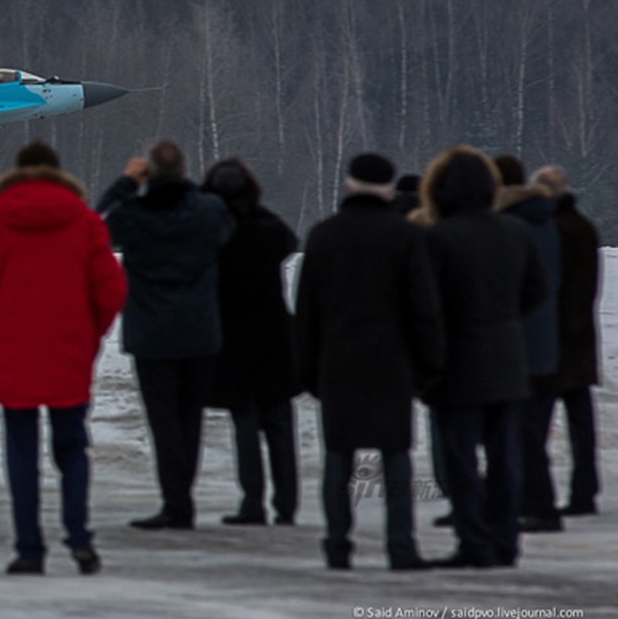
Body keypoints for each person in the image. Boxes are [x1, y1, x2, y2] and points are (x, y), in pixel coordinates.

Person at [0, 140, 126, 575]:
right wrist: (91, 335)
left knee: (21, 452)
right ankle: (79, 536)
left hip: (12, 352)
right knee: (72, 448)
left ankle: (29, 548)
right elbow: (111, 290)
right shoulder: (86, 224)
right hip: (69, 349)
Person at [295, 153, 444, 570]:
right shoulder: (405, 237)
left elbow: (306, 311)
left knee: (338, 458)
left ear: (348, 184)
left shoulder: (324, 236)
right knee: (396, 455)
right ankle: (401, 546)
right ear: (388, 188)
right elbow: (423, 309)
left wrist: (306, 369)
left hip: (338, 362)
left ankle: (337, 545)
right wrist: (430, 364)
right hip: (392, 363)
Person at [420, 146, 548, 568]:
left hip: (458, 362)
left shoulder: (438, 238)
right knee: (505, 458)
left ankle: (473, 540)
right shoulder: (515, 232)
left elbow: (427, 305)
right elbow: (536, 291)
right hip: (509, 359)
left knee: (460, 459)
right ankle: (505, 539)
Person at [97, 140, 235, 530]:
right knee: (190, 418)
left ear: (149, 173)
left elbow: (96, 227)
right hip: (199, 330)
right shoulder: (208, 210)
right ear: (185, 170)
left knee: (164, 422)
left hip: (151, 333)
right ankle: (180, 500)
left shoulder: (132, 214)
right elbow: (225, 230)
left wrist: (124, 185)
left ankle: (176, 503)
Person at [201, 158, 300, 526]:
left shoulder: (214, 233)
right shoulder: (267, 225)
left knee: (245, 426)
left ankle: (252, 501)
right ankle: (287, 503)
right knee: (279, 425)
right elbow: (290, 241)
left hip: (232, 339)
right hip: (273, 336)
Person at [493, 154, 563, 533]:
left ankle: (539, 505)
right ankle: (529, 502)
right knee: (528, 429)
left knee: (523, 432)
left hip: (517, 343)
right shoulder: (545, 223)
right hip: (543, 341)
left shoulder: (512, 227)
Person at [532, 165, 602, 517]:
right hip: (581, 339)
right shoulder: (584, 228)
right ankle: (585, 489)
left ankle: (535, 491)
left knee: (536, 423)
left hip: (554, 337)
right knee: (581, 424)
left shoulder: (549, 231)